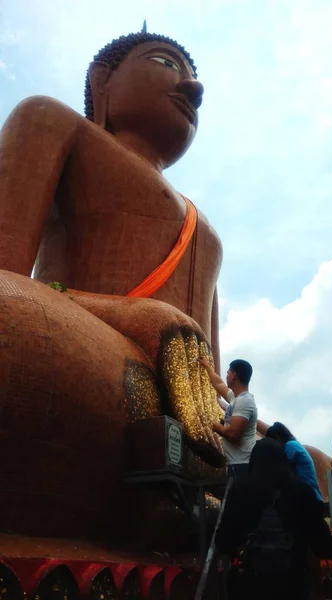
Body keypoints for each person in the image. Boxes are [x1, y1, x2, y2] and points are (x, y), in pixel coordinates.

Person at [0, 28, 224, 546]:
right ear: (102, 83)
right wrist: (141, 316)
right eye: (168, 65)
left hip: (177, 404)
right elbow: (7, 278)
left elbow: (208, 374)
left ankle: (189, 497)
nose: (192, 90)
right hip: (84, 353)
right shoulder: (52, 122)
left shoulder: (205, 231)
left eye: (193, 78)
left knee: (305, 459)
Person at [215, 438, 332, 600]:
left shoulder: (239, 493)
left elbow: (222, 543)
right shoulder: (302, 493)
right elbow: (322, 546)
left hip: (248, 587)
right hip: (291, 588)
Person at [198, 357, 257, 479]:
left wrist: (216, 427)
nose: (226, 376)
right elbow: (219, 384)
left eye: (228, 373)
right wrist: (207, 366)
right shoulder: (235, 398)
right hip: (236, 464)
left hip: (242, 466)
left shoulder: (244, 402)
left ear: (234, 375)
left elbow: (233, 434)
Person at [266, 422, 323, 504]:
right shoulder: (294, 444)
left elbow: (282, 469)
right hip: (310, 496)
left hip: (309, 498)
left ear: (278, 437)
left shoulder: (290, 445)